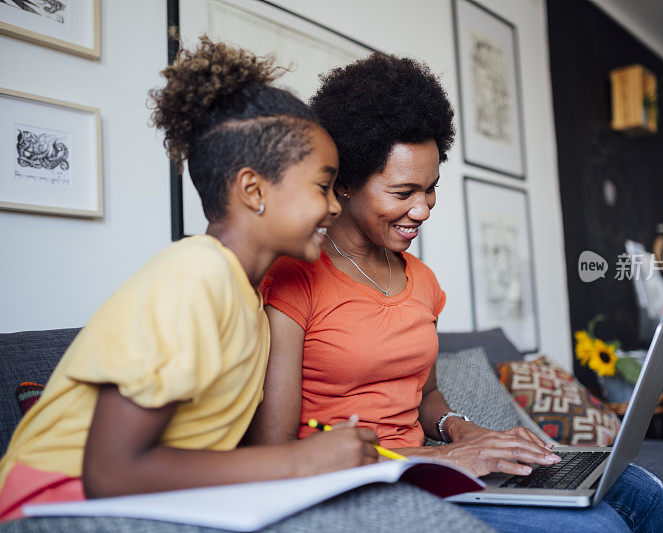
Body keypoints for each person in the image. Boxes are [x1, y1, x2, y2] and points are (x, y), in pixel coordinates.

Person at [252, 52, 663, 533]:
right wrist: (449, 457)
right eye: (403, 192)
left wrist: (461, 429)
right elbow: (275, 448)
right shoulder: (294, 278)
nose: (423, 209)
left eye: (430, 189)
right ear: (346, 182)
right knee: (597, 527)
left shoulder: (422, 281)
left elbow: (426, 393)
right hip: (357, 484)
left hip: (430, 467)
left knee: (640, 488)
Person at [0, 35, 382, 522]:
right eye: (323, 186)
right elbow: (111, 473)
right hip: (50, 501)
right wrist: (302, 460)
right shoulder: (196, 277)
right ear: (252, 189)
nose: (334, 205)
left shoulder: (247, 298)